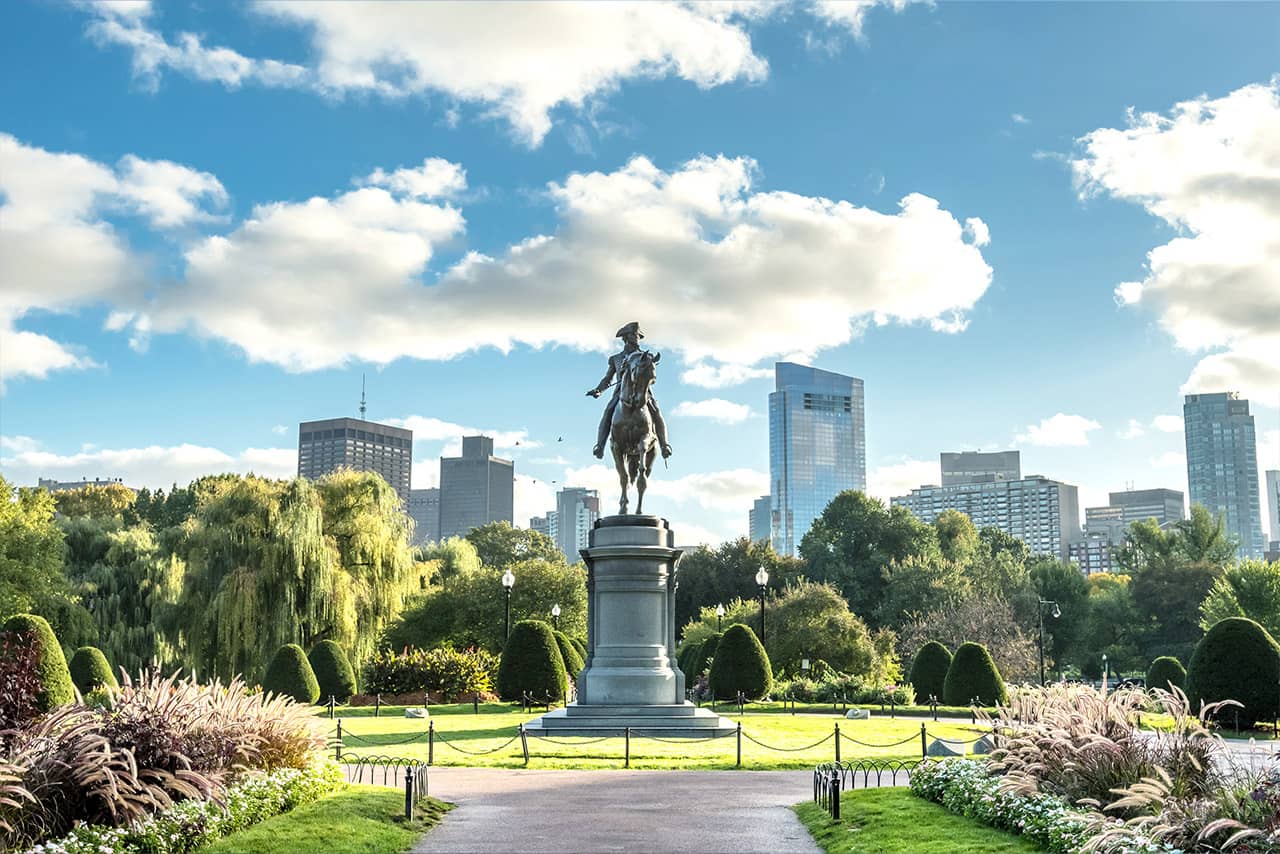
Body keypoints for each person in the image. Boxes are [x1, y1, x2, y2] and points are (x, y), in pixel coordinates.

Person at [585, 322, 672, 459]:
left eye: (638, 335)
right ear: (625, 337)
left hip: (643, 392)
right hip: (621, 393)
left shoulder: (646, 356)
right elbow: (608, 378)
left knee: (656, 412)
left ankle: (664, 445)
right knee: (608, 412)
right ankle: (599, 446)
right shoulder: (616, 358)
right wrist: (599, 390)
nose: (637, 338)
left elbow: (651, 376)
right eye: (634, 335)